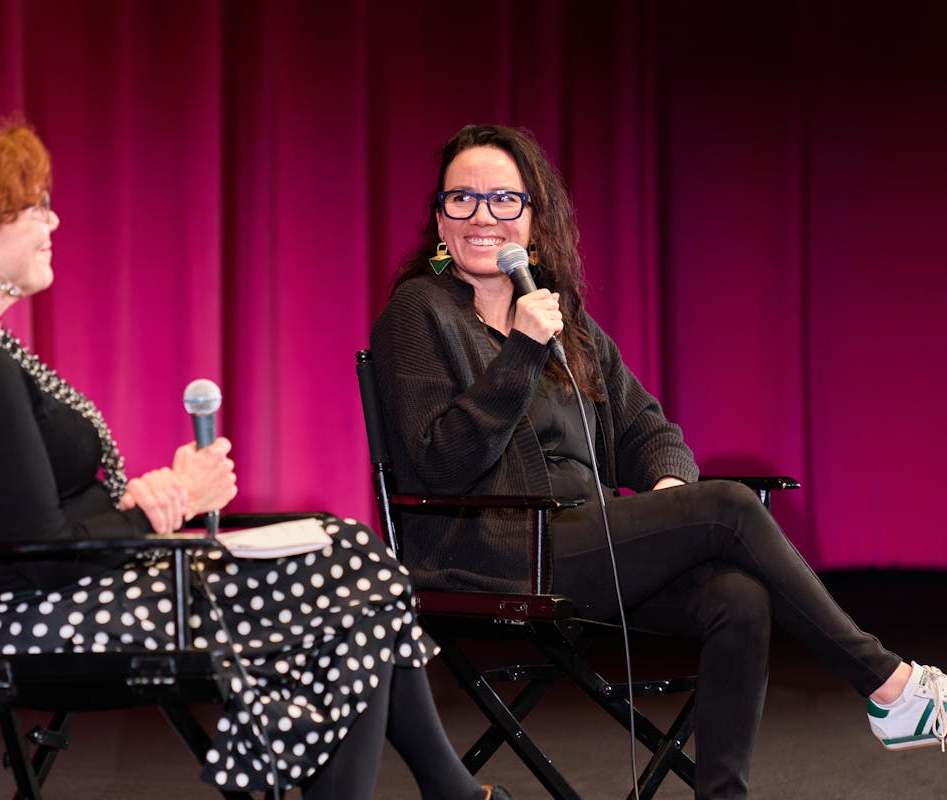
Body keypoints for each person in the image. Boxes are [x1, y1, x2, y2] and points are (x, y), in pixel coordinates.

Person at [0, 122, 512, 800]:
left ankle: (448, 792)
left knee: (347, 555)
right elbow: (45, 550)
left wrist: (143, 499)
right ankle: (451, 793)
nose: (53, 220)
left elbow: (35, 515)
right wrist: (163, 501)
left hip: (74, 588)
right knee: (349, 571)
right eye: (34, 207)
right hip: (45, 615)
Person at [369, 123, 947, 800]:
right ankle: (892, 686)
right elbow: (438, 463)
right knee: (729, 507)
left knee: (738, 596)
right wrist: (521, 351)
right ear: (440, 216)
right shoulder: (419, 310)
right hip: (484, 551)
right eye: (461, 200)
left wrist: (672, 495)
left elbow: (650, 431)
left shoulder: (563, 320)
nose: (482, 217)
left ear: (533, 214)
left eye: (503, 199)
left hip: (583, 544)